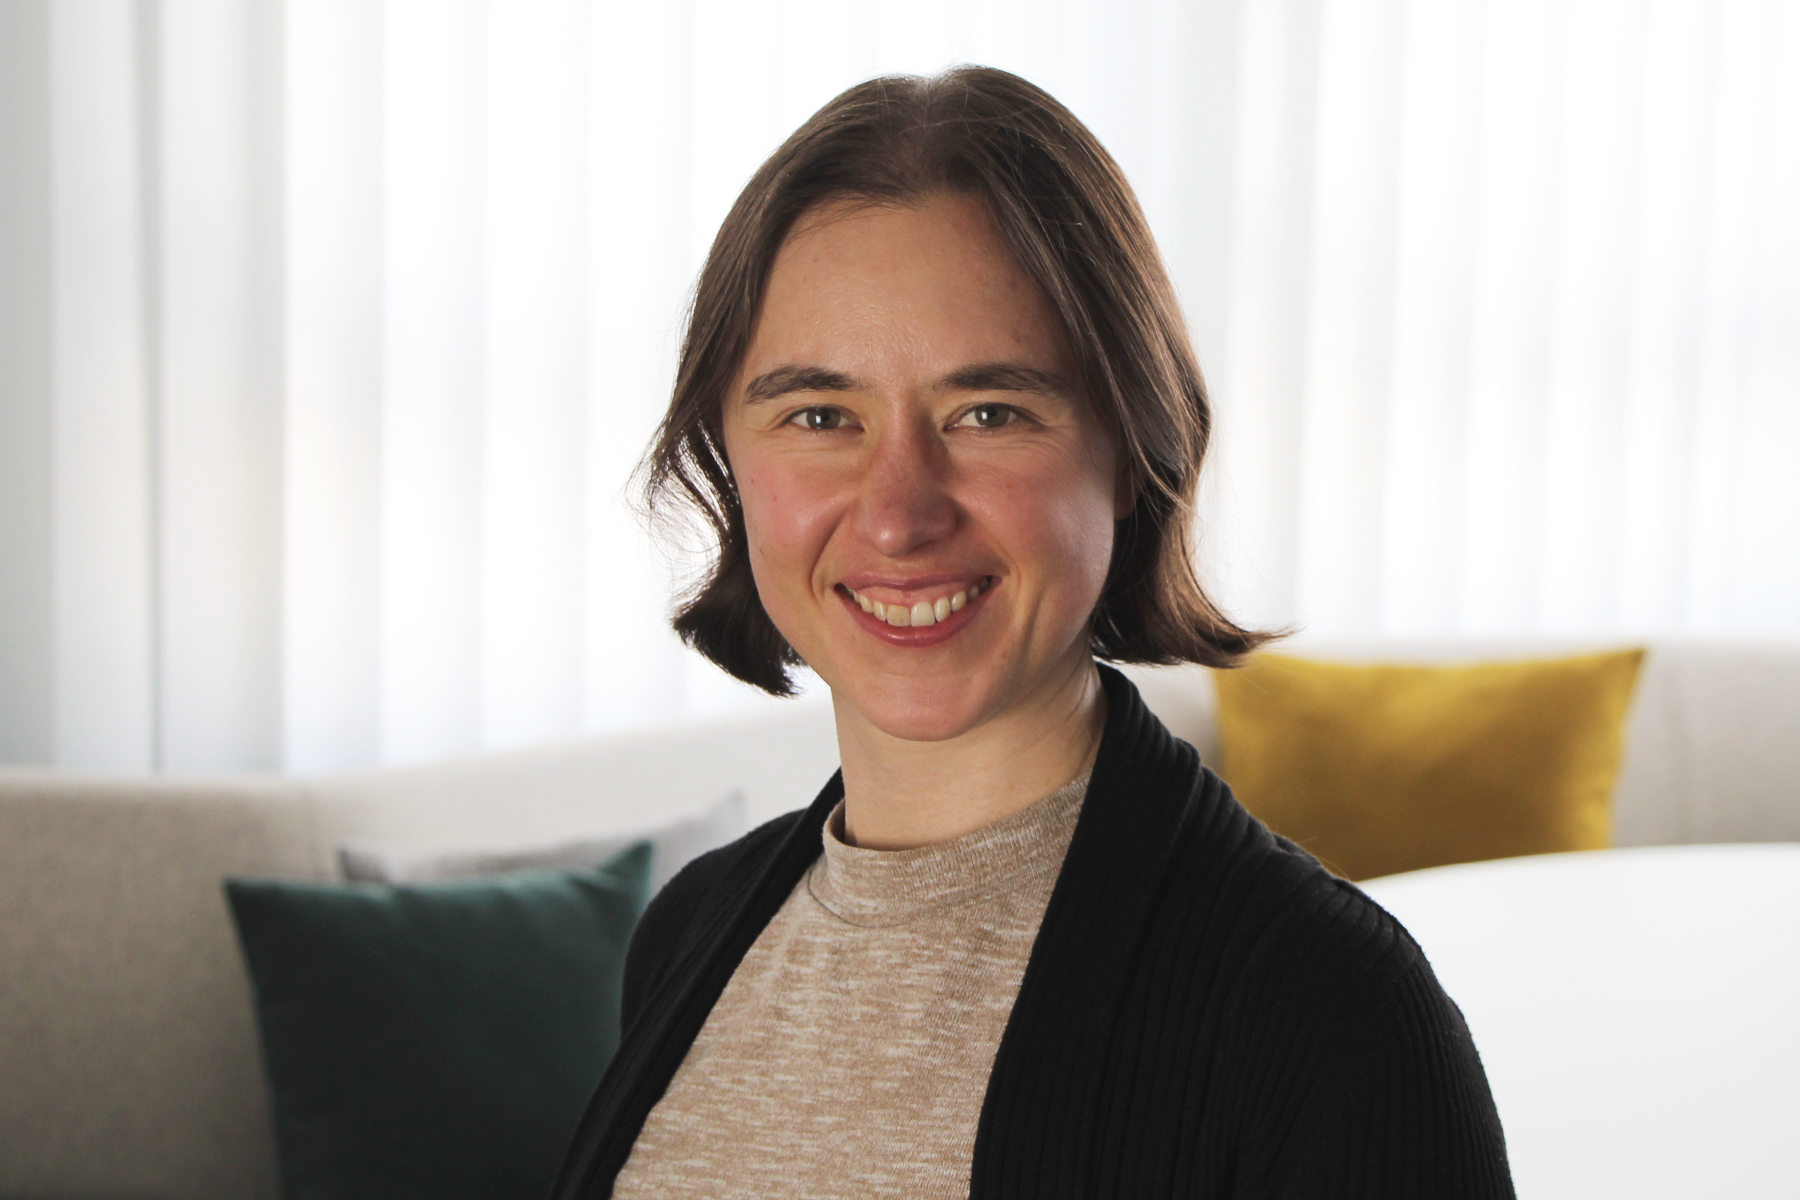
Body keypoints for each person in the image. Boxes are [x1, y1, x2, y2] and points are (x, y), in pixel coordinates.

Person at [551, 67, 1513, 1199]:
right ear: (729, 456)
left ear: (1131, 446)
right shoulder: (690, 932)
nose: (901, 511)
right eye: (820, 416)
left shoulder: (1326, 1014)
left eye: (989, 414)